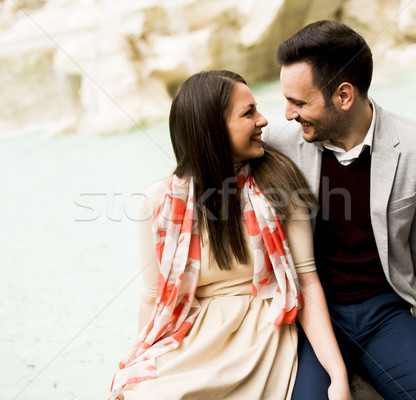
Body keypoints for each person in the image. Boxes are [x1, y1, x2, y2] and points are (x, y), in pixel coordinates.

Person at [264, 20, 416, 399]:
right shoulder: (277, 143)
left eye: (299, 102)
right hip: (311, 317)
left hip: (385, 313)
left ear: (344, 96)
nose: (286, 113)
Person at [109, 70, 352, 400]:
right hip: (191, 336)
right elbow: (153, 300)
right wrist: (145, 358)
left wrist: (337, 375)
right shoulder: (158, 203)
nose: (263, 120)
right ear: (212, 130)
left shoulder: (278, 186)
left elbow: (307, 283)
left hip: (261, 335)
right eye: (248, 112)